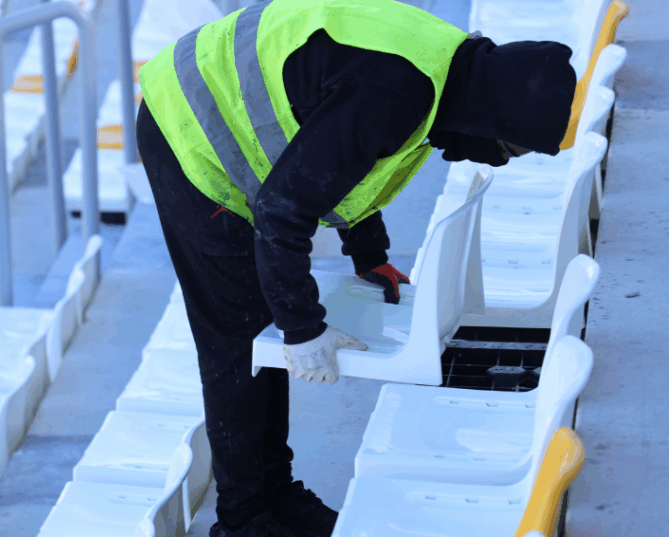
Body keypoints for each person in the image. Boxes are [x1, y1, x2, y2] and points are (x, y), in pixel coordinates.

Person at [134, 0, 577, 536]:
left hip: (221, 106)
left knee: (256, 328)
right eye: (508, 148)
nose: (498, 159)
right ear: (491, 115)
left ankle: (276, 493)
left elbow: (344, 161)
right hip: (190, 129)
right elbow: (284, 210)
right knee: (238, 338)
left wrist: (370, 254)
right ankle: (244, 518)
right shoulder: (399, 93)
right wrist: (303, 328)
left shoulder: (444, 69)